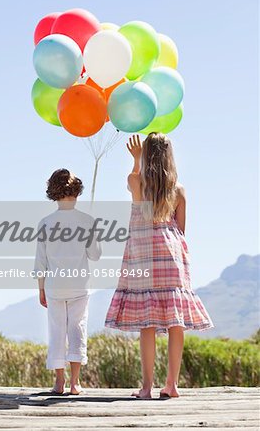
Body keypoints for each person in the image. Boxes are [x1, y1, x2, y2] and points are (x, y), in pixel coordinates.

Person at [105, 133, 214, 399]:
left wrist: (136, 160)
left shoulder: (136, 181)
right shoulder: (178, 191)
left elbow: (133, 182)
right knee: (176, 322)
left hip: (144, 255)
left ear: (146, 156)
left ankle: (146, 388)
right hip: (172, 254)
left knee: (148, 322)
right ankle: (172, 385)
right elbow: (181, 228)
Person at [34, 169, 101, 395]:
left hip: (54, 286)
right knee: (77, 328)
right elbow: (95, 255)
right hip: (79, 286)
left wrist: (41, 289)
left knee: (56, 331)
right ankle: (75, 383)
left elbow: (40, 261)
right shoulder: (86, 220)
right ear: (77, 192)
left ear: (53, 192)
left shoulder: (45, 222)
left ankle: (59, 383)